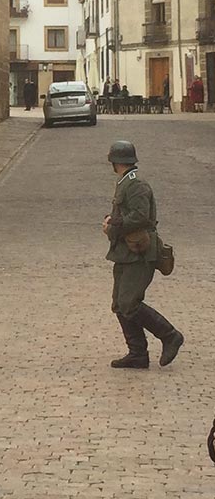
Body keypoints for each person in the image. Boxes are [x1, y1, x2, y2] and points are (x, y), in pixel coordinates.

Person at [102, 141, 183, 369]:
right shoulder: (125, 182)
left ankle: (169, 335)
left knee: (129, 303)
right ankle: (137, 353)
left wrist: (114, 224)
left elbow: (140, 217)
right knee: (120, 304)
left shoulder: (136, 184)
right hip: (125, 252)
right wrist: (112, 222)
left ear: (115, 161)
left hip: (140, 253)